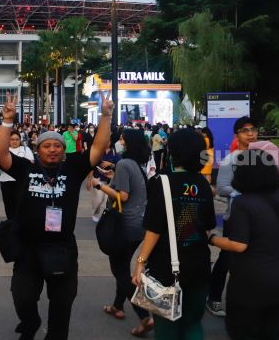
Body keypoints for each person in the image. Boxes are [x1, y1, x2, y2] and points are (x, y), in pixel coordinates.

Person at [0, 92, 113, 340]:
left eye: (57, 146)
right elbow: (2, 155)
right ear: (38, 151)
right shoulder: (27, 169)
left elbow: (99, 147)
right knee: (22, 297)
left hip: (62, 249)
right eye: (46, 146)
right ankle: (31, 321)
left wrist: (105, 116)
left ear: (63, 150)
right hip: (28, 248)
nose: (52, 150)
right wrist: (7, 122)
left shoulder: (73, 168)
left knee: (62, 307)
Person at [132, 129, 216, 340]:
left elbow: (154, 229)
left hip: (166, 268)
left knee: (167, 326)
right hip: (199, 265)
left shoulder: (161, 183)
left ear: (173, 152)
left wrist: (141, 261)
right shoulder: (203, 185)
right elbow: (207, 228)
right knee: (193, 323)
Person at [210, 149, 279, 340]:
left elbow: (238, 245)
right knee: (271, 331)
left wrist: (212, 238)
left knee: (242, 330)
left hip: (251, 281)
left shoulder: (243, 203)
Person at [91, 129, 152, 337]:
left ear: (129, 143)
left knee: (120, 271)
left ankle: (144, 315)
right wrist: (113, 176)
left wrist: (100, 184)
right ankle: (118, 306)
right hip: (138, 225)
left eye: (123, 139)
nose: (120, 141)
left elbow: (123, 196)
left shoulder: (125, 164)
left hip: (124, 225)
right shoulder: (134, 164)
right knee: (122, 266)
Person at [208, 116, 257, 317]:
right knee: (227, 258)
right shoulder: (230, 160)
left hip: (260, 217)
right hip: (236, 217)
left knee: (257, 260)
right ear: (237, 134)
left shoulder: (263, 157)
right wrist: (242, 194)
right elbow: (222, 188)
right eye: (246, 130)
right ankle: (214, 297)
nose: (251, 133)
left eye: (253, 129)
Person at [0, 131, 35, 221]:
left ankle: (20, 225)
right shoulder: (4, 150)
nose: (14, 141)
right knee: (9, 205)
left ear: (20, 140)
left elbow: (31, 163)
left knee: (21, 205)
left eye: (17, 139)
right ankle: (11, 224)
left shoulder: (26, 149)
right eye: (12, 139)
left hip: (22, 182)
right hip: (6, 181)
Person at [86, 143, 120, 223]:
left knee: (106, 201)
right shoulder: (98, 153)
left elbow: (119, 165)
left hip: (110, 180)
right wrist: (89, 180)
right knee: (99, 199)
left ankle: (104, 216)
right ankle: (95, 213)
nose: (107, 142)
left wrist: (110, 164)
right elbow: (91, 167)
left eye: (109, 140)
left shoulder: (115, 153)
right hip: (98, 179)